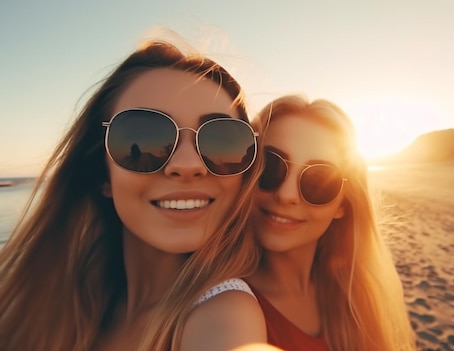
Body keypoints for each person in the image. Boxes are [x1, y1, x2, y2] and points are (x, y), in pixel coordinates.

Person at [0, 38, 275, 351]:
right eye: (143, 139)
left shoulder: (225, 315)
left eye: (222, 141)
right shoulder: (54, 302)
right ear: (102, 173)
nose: (188, 165)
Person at [246, 95, 416, 351]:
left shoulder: (354, 297)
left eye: (318, 181)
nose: (286, 195)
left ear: (343, 205)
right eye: (270, 166)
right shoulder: (228, 306)